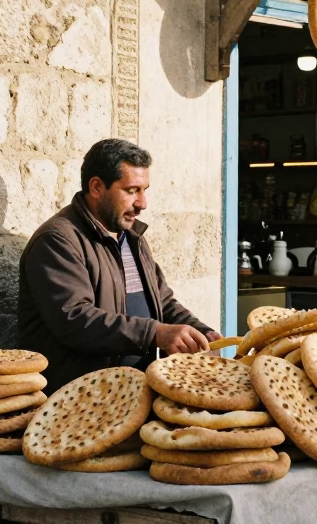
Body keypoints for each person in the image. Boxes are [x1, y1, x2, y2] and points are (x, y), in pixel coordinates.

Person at [18, 139, 219, 389]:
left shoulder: (130, 236)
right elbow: (75, 320)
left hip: (134, 388)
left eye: (145, 189)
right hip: (82, 396)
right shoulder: (57, 241)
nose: (142, 203)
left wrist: (201, 330)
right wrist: (154, 334)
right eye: (132, 190)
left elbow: (162, 301)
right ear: (97, 187)